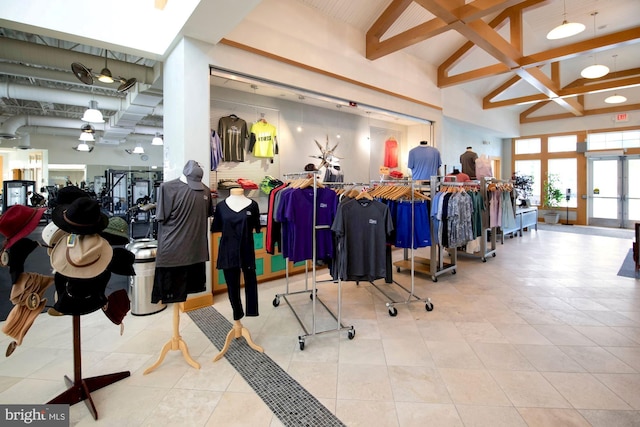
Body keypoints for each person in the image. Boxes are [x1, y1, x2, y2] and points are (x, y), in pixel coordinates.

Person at [151, 160, 213, 304]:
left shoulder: (206, 190)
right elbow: (161, 218)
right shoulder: (167, 188)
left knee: (189, 293)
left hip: (196, 255)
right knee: (173, 297)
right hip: (172, 257)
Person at [210, 188, 261, 321]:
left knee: (250, 280)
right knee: (232, 284)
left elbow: (256, 226)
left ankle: (252, 310)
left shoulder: (253, 205)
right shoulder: (221, 207)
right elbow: (216, 227)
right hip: (228, 249)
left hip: (247, 248)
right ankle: (237, 312)